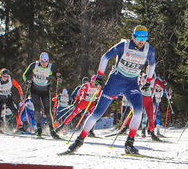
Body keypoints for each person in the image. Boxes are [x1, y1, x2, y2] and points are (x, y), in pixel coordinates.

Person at [66, 25, 156, 155]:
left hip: (131, 83)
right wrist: (100, 76)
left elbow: (152, 64)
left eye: (144, 38)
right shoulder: (124, 45)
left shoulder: (149, 50)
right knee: (97, 113)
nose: (141, 41)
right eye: (139, 37)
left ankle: (129, 143)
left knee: (138, 111)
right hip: (115, 81)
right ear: (133, 37)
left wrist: (148, 81)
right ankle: (79, 141)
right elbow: (105, 57)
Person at [23, 52, 61, 139]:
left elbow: (57, 74)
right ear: (40, 60)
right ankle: (39, 130)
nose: (44, 63)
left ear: (48, 61)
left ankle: (52, 131)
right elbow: (25, 74)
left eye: (46, 62)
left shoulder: (51, 67)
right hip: (35, 90)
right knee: (37, 109)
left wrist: (58, 77)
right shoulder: (34, 65)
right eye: (42, 61)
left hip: (45, 90)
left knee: (47, 110)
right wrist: (27, 81)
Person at [0, 69, 23, 134]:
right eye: (4, 76)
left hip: (8, 97)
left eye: (7, 76)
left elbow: (18, 86)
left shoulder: (11, 79)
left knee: (15, 111)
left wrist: (21, 94)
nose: (5, 78)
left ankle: (20, 126)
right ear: (1, 76)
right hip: (0, 97)